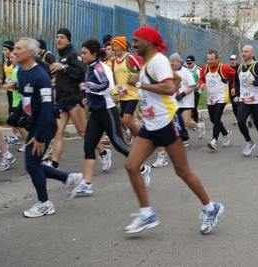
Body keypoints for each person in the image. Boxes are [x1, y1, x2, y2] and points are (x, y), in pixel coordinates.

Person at [124, 26, 224, 235]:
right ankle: (146, 213)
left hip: (167, 121)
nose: (133, 45)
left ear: (149, 42)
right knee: (132, 166)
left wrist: (140, 84)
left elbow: (170, 87)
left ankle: (211, 207)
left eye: (136, 40)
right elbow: (175, 80)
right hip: (151, 125)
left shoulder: (158, 60)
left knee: (182, 171)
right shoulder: (151, 63)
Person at [9, 37, 83, 217]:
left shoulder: (40, 76)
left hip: (45, 124)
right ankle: (69, 179)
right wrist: (15, 116)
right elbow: (27, 99)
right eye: (14, 48)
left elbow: (47, 107)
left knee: (32, 164)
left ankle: (45, 202)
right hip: (35, 123)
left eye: (19, 48)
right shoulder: (22, 72)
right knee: (32, 164)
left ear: (29, 53)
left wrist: (41, 137)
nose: (14, 51)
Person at [74, 39, 151, 195]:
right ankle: (87, 183)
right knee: (89, 146)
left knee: (118, 144)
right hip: (96, 111)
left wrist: (87, 86)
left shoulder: (100, 68)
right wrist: (87, 97)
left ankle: (143, 169)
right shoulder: (93, 67)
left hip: (107, 110)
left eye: (84, 53)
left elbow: (107, 86)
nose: (81, 56)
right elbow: (97, 89)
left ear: (93, 54)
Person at [47, 28, 111, 171]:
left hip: (75, 99)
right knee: (57, 132)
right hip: (62, 101)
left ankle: (103, 152)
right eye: (57, 36)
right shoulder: (61, 57)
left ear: (68, 40)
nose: (59, 39)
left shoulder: (75, 55)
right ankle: (54, 163)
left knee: (83, 132)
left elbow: (80, 73)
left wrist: (63, 67)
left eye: (62, 37)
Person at [233, 45, 258, 157]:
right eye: (242, 51)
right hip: (244, 99)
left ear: (252, 54)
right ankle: (249, 141)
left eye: (246, 52)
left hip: (257, 101)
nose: (243, 53)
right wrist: (237, 95)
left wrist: (253, 82)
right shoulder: (240, 67)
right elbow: (238, 82)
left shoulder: (257, 66)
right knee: (240, 121)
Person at [199, 49, 236, 150]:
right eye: (208, 59)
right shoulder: (205, 68)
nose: (210, 61)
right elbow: (201, 78)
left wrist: (233, 86)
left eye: (212, 59)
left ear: (216, 59)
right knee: (213, 119)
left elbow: (235, 74)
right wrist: (201, 84)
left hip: (221, 97)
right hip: (210, 98)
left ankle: (214, 141)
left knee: (216, 118)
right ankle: (225, 134)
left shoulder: (223, 67)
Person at [110, 36, 143, 145]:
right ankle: (138, 138)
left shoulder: (132, 58)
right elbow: (114, 78)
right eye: (112, 46)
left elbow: (144, 71)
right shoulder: (114, 61)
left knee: (127, 119)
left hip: (133, 94)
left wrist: (137, 78)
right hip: (122, 95)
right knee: (125, 120)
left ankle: (142, 142)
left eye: (115, 46)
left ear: (122, 46)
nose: (114, 48)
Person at [169, 52, 205, 147]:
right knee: (174, 122)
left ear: (178, 62)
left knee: (186, 122)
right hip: (175, 102)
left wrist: (182, 94)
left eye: (172, 61)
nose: (171, 63)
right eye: (170, 61)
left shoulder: (185, 72)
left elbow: (193, 85)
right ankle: (184, 140)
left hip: (186, 101)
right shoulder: (170, 72)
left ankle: (199, 126)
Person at [0, 40, 21, 146]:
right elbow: (5, 75)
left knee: (15, 116)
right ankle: (15, 136)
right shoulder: (6, 62)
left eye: (5, 49)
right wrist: (1, 80)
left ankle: (22, 138)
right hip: (10, 92)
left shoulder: (17, 64)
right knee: (12, 115)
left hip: (17, 93)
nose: (3, 52)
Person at [186, 55, 202, 125]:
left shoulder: (198, 70)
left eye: (190, 63)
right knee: (188, 107)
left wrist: (195, 87)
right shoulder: (186, 70)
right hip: (188, 91)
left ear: (194, 62)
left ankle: (196, 123)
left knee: (194, 107)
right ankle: (191, 120)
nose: (189, 65)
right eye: (187, 63)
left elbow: (201, 81)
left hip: (196, 91)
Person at [228, 54, 239, 125]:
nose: (232, 61)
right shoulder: (228, 68)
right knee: (234, 105)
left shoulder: (239, 68)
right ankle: (237, 117)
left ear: (236, 60)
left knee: (239, 104)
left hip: (238, 88)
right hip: (230, 89)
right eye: (231, 60)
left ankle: (240, 118)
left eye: (233, 60)